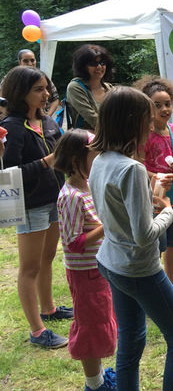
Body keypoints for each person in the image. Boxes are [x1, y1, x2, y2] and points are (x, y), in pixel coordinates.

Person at [89, 86, 173, 390]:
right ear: (132, 122)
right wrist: (168, 213)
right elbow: (144, 235)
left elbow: (121, 211)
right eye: (147, 119)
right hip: (137, 268)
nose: (152, 126)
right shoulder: (132, 169)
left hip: (111, 262)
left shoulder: (100, 160)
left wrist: (152, 199)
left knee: (132, 339)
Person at [0, 66, 70, 349]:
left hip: (55, 199)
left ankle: (49, 309)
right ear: (21, 93)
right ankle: (37, 331)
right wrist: (45, 162)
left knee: (47, 258)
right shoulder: (13, 128)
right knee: (29, 268)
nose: (45, 95)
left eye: (46, 88)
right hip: (30, 205)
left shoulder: (49, 121)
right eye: (38, 90)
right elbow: (8, 173)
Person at [54, 129, 117, 391]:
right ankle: (94, 384)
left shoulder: (88, 186)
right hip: (85, 274)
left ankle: (99, 377)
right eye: (95, 155)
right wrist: (108, 225)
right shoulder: (71, 197)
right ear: (76, 159)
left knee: (100, 322)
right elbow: (73, 243)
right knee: (91, 328)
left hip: (98, 269)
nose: (99, 160)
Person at [134, 76, 173, 301]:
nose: (164, 109)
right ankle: (154, 287)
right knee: (156, 244)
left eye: (167, 103)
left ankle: (170, 285)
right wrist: (158, 177)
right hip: (154, 198)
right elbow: (137, 166)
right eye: (156, 105)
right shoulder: (143, 136)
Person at [66, 44, 114, 130]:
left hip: (109, 138)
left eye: (102, 63)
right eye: (93, 63)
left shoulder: (109, 88)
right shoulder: (75, 87)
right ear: (83, 66)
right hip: (86, 140)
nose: (99, 67)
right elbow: (92, 118)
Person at [17, 49, 60, 116]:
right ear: (19, 62)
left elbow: (55, 99)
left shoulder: (43, 78)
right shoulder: (12, 79)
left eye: (32, 60)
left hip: (42, 120)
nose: (30, 64)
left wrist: (47, 117)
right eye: (25, 61)